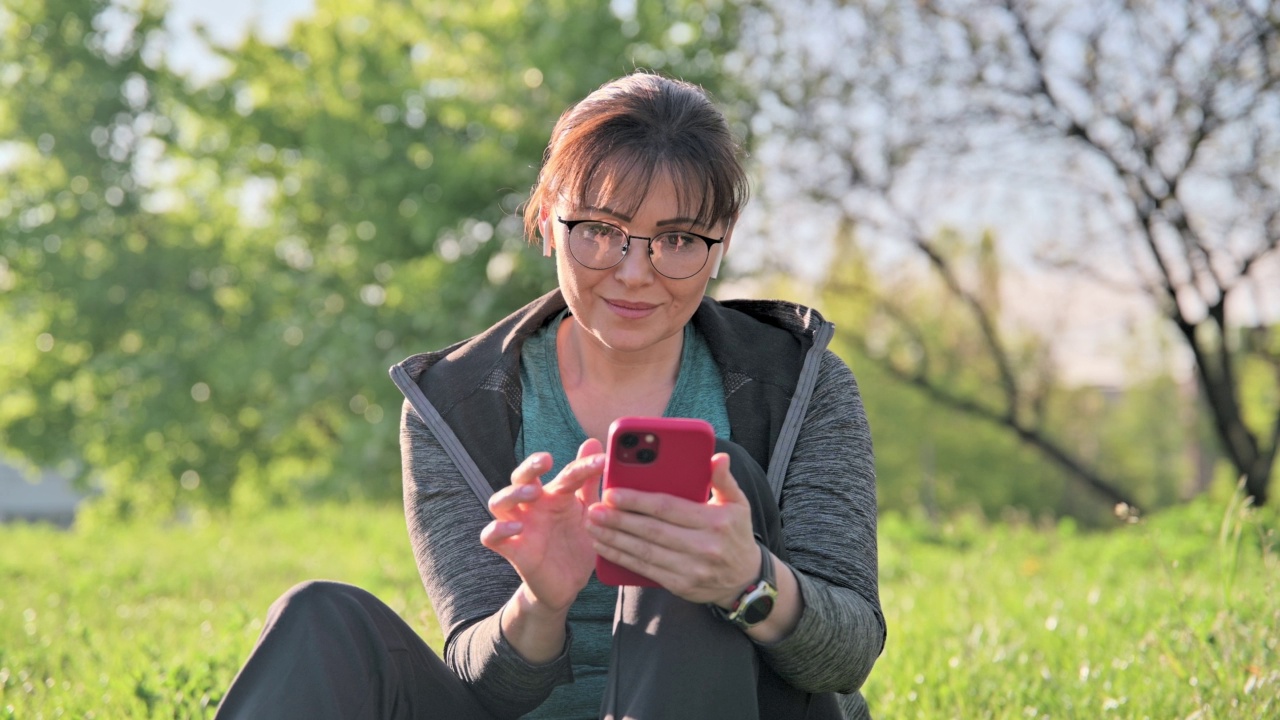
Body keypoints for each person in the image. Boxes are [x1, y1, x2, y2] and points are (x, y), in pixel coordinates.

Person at [215, 71, 884, 720]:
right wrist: (539, 600)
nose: (633, 273)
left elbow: (846, 655)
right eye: (599, 230)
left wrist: (746, 579)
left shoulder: (803, 382)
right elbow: (484, 684)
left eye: (677, 240)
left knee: (713, 480)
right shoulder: (454, 404)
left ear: (722, 241)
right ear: (545, 217)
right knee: (321, 618)